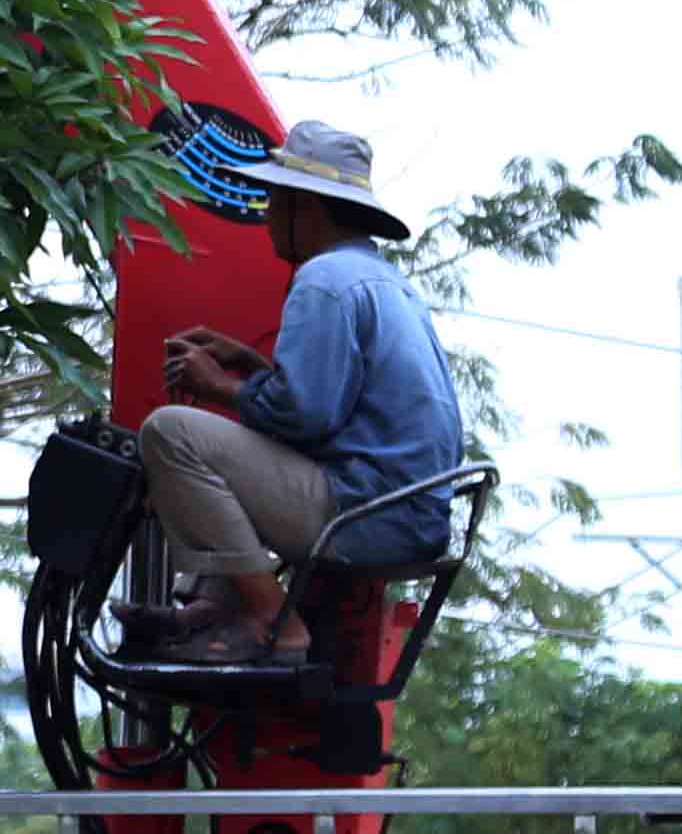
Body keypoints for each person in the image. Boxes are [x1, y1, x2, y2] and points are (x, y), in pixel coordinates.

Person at [132, 116, 468, 668]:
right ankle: (213, 608)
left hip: (362, 516)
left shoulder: (323, 280)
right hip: (407, 517)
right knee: (217, 443)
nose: (266, 217)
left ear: (305, 209)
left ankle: (274, 622)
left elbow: (303, 418)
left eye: (274, 201)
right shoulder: (383, 281)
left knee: (170, 433)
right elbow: (339, 407)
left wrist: (221, 386)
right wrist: (251, 365)